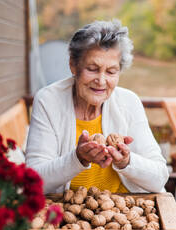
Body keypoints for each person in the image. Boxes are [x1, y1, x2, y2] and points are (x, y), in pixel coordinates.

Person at [26, 19, 168, 194]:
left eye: (111, 72)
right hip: (67, 210)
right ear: (73, 65)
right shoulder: (48, 101)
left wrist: (127, 162)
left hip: (123, 211)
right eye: (92, 69)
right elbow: (33, 182)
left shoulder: (129, 102)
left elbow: (160, 176)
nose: (101, 81)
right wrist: (78, 159)